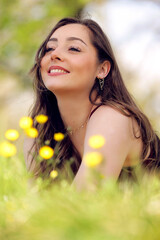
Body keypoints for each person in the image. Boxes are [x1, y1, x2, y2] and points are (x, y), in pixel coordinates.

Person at [24, 17, 160, 186]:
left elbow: (81, 203)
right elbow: (33, 203)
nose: (54, 54)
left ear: (102, 69)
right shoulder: (40, 130)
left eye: (74, 48)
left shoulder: (113, 118)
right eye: (49, 48)